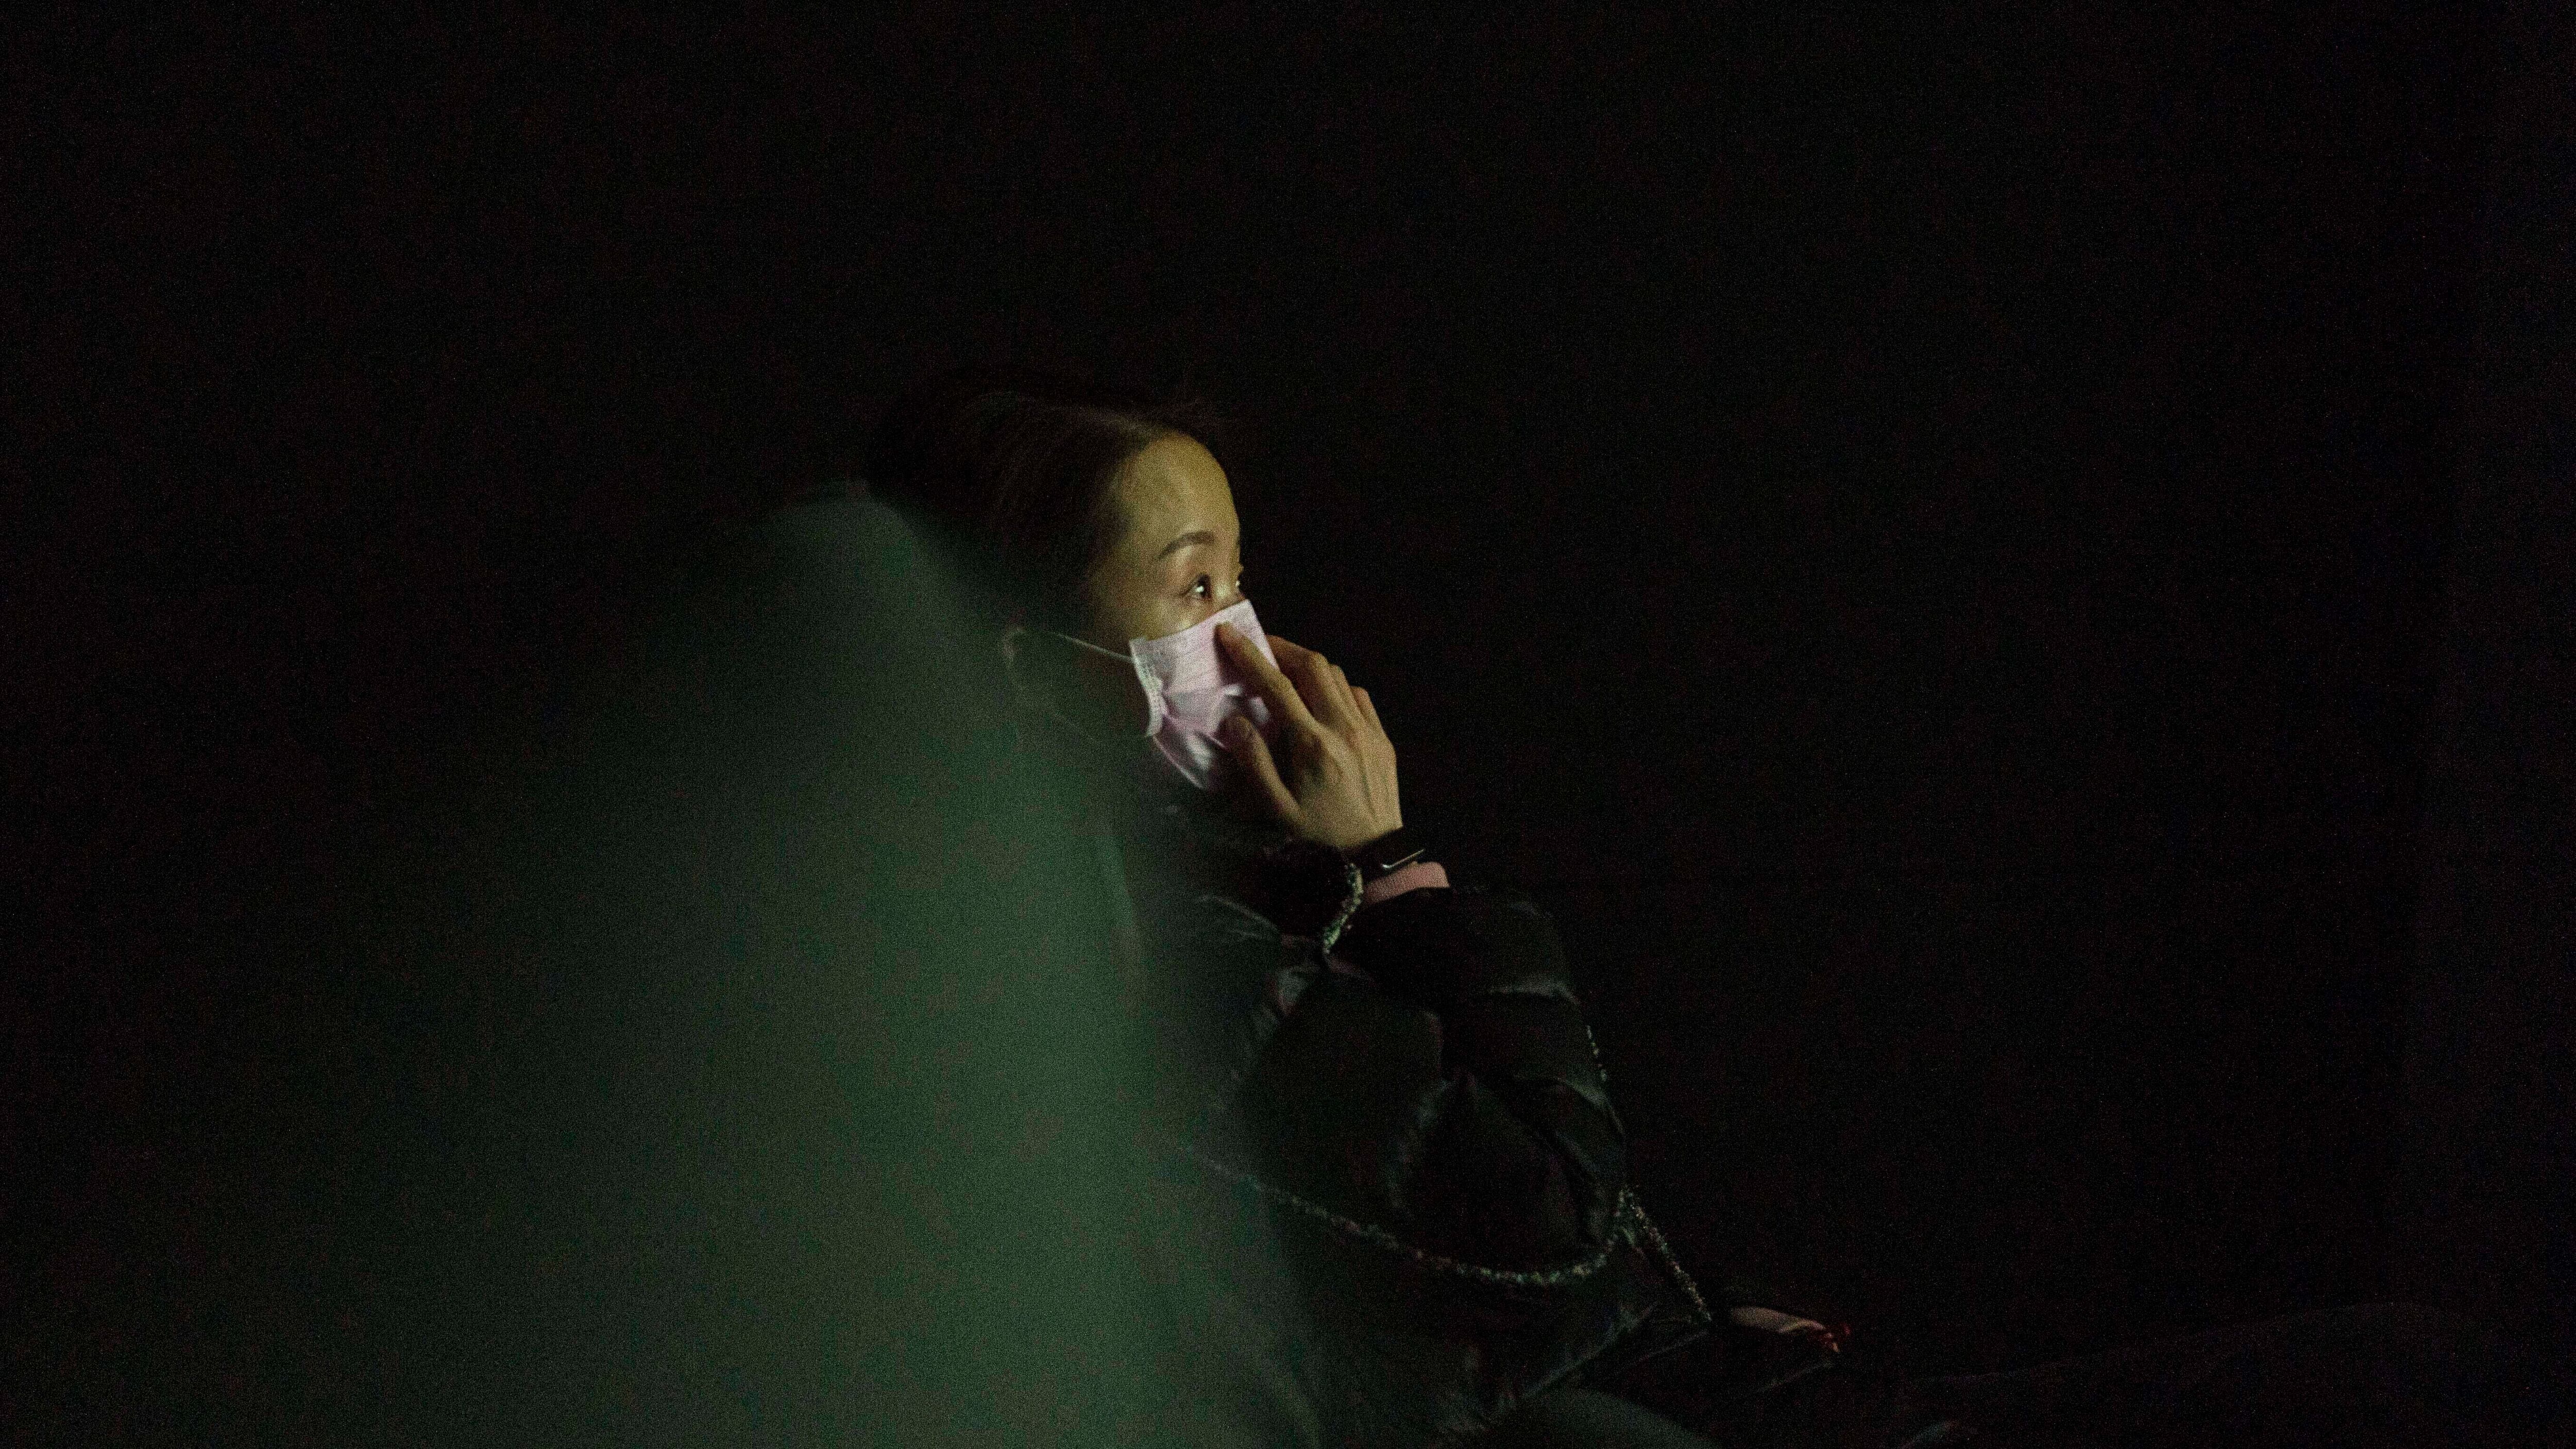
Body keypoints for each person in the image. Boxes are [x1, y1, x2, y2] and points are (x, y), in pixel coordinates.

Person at [854, 364, 2576, 1449]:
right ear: (1036, 671)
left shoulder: (1207, 882)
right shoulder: (1154, 956)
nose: (1259, 643)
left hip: (1775, 1391)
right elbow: (1552, 1228)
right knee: (2411, 1384)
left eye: (1246, 574)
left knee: (2413, 1369)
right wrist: (1392, 874)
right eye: (1195, 590)